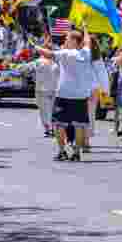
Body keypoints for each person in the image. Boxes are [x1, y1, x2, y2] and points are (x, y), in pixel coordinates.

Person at [35, 29, 93, 162]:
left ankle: (62, 151)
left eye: (67, 38)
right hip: (80, 95)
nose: (65, 40)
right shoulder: (86, 53)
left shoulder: (66, 53)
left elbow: (48, 54)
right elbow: (88, 42)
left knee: (58, 124)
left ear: (73, 40)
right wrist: (85, 29)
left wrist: (37, 47)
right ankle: (77, 153)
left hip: (64, 94)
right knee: (79, 125)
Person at [23, 42, 59, 137]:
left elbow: (25, 69)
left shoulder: (38, 62)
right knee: (52, 109)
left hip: (42, 90)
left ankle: (49, 128)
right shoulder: (57, 62)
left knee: (44, 110)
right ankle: (52, 127)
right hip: (55, 89)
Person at [85, 39, 109, 150]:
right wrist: (105, 90)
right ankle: (86, 139)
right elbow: (103, 75)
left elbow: (102, 74)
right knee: (90, 115)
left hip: (83, 89)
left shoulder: (82, 55)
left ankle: (83, 139)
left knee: (81, 114)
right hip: (93, 89)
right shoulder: (97, 58)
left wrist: (104, 91)